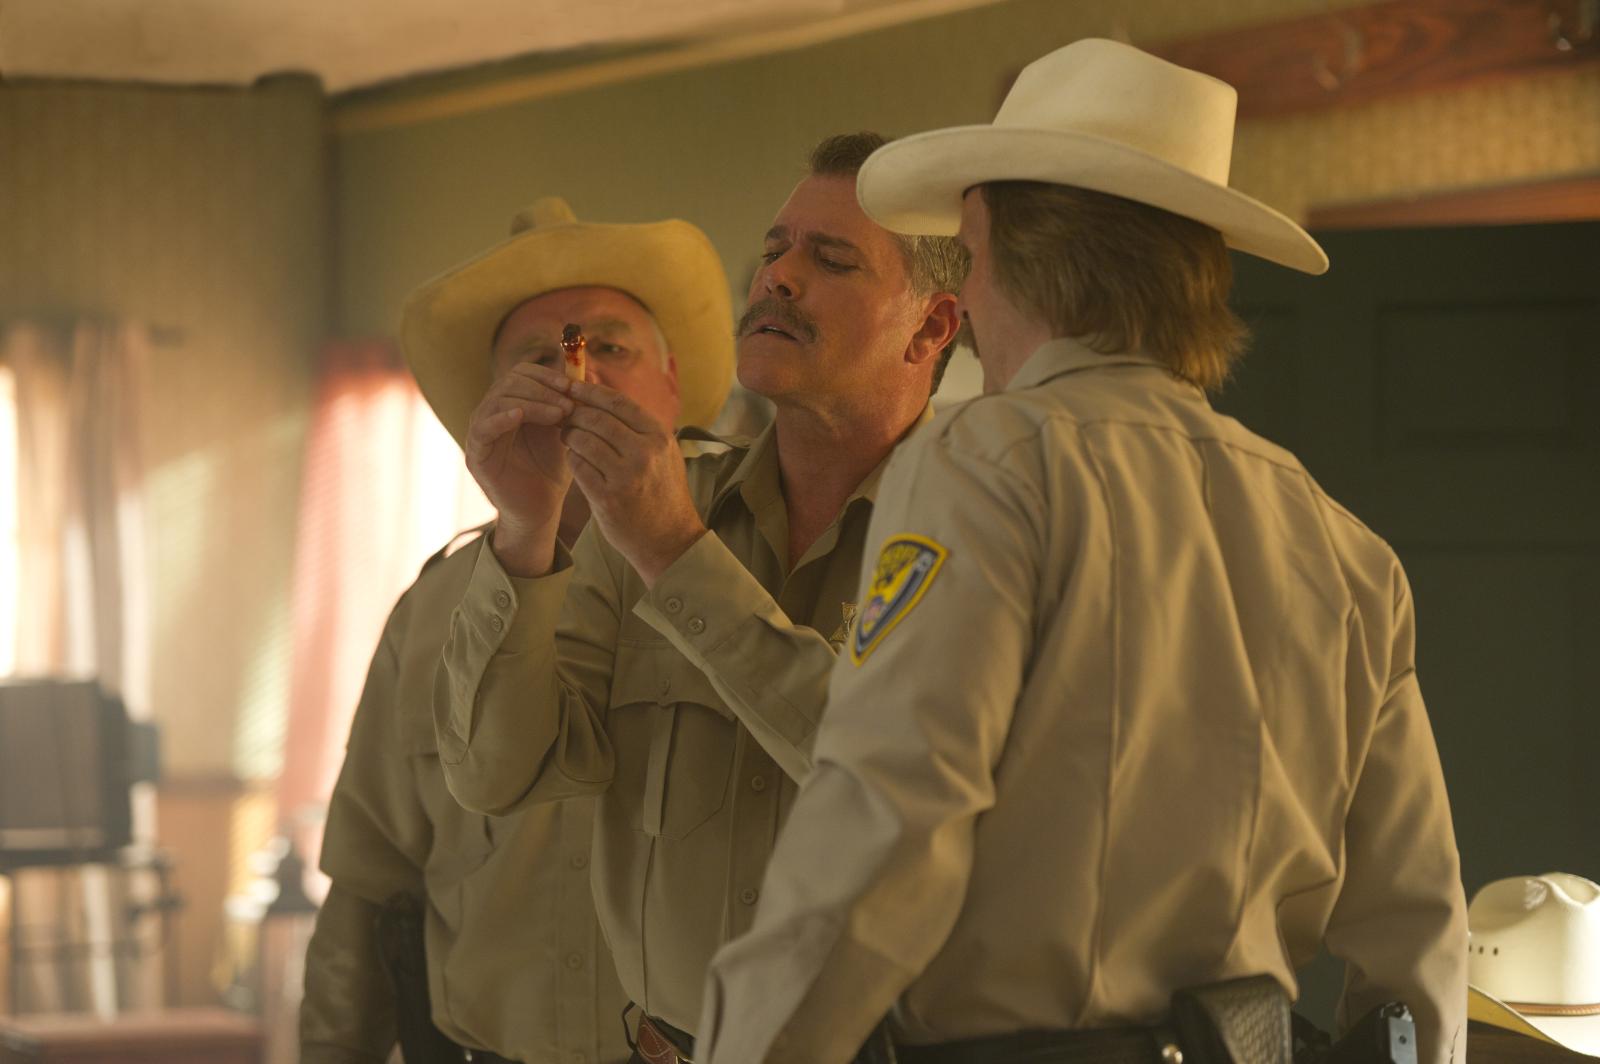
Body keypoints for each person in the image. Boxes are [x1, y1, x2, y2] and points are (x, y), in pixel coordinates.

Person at [698, 39, 1469, 1064]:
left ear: (1022, 254)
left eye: (968, 248)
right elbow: (1417, 939)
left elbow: (887, 825)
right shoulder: (1340, 543)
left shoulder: (982, 462)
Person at [431, 134, 966, 1061]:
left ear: (930, 328)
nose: (778, 277)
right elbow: (498, 775)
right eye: (773, 249)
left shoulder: (976, 533)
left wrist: (675, 555)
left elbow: (890, 778)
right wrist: (524, 526)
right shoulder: (653, 509)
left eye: (831, 259)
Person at [299, 196, 734, 1064]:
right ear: (492, 403)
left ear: (673, 380)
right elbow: (370, 887)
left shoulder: (754, 574)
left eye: (610, 347)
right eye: (541, 358)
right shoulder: (431, 614)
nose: (578, 376)